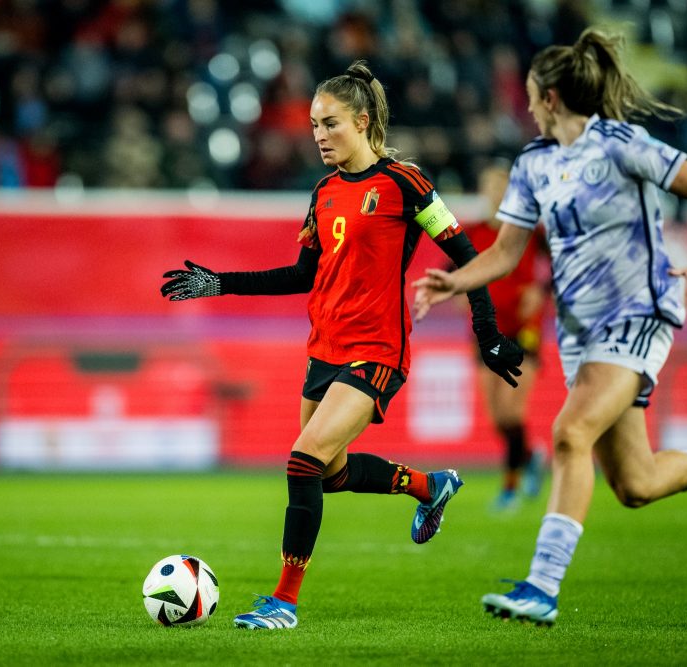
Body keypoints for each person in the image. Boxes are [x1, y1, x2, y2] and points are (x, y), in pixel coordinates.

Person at [412, 27, 687, 627]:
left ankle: (541, 587)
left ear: (549, 97)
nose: (525, 105)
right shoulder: (533, 165)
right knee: (635, 483)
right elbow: (506, 252)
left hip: (638, 313)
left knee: (568, 434)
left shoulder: (621, 144)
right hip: (581, 333)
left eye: (530, 95)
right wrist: (457, 280)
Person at [160, 60, 523, 631]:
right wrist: (221, 282)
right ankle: (431, 486)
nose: (320, 136)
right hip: (323, 350)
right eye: (313, 126)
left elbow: (468, 257)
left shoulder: (407, 183)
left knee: (301, 461)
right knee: (326, 472)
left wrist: (488, 335)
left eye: (329, 124)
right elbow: (303, 274)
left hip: (377, 351)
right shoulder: (324, 192)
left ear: (362, 120)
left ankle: (283, 602)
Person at [467, 160, 551, 511]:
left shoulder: (529, 231)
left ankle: (510, 488)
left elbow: (560, 266)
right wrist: (455, 291)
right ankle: (532, 457)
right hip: (487, 332)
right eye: (490, 188)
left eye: (502, 188)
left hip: (522, 330)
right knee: (497, 417)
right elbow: (452, 271)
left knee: (512, 412)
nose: (496, 194)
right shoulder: (472, 233)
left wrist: (540, 292)